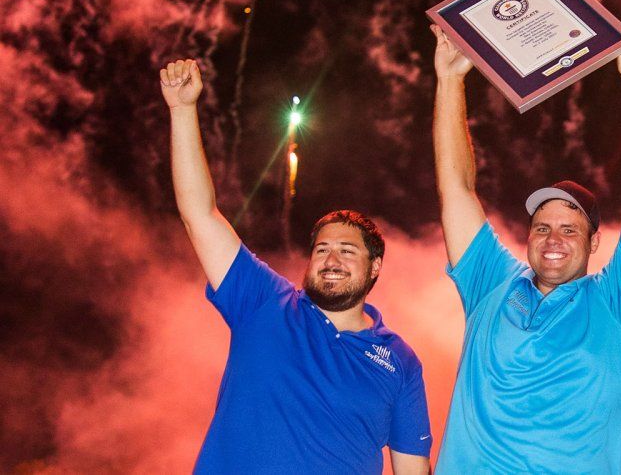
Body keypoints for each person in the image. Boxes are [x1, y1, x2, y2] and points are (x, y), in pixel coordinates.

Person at [159, 59, 431, 475]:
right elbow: (200, 215)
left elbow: (413, 469)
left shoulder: (400, 360)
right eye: (322, 250)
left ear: (375, 266)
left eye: (347, 250)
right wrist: (182, 110)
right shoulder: (264, 301)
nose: (331, 260)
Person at [430, 24, 621, 473]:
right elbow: (456, 188)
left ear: (596, 241)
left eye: (570, 229)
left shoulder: (619, 300)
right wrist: (449, 79)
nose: (553, 239)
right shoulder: (491, 283)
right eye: (542, 228)